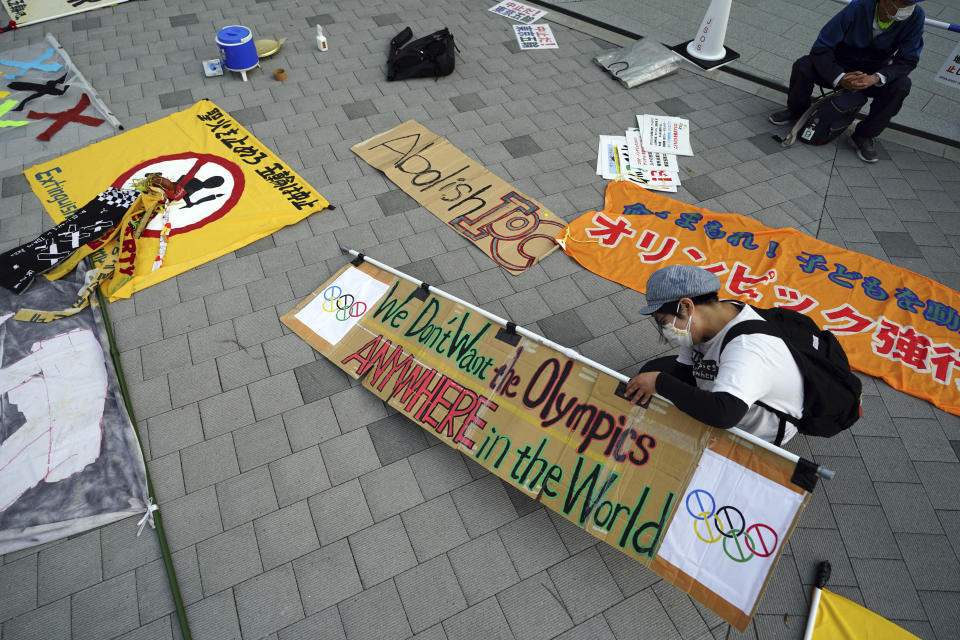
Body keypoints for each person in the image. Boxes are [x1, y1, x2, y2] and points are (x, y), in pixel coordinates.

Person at [624, 265, 803, 445]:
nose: (665, 330)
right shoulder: (706, 316)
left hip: (754, 427)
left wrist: (659, 383)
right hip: (722, 381)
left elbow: (724, 415)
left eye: (663, 321)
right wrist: (658, 383)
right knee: (649, 374)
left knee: (657, 381)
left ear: (686, 306)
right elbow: (684, 369)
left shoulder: (747, 348)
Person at [769, 0, 925, 163]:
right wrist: (840, 77)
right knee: (803, 66)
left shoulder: (916, 16)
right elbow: (821, 47)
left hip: (873, 74)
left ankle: (864, 135)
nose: (908, 7)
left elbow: (908, 59)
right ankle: (797, 110)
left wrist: (876, 77)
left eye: (912, 3)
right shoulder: (860, 6)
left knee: (902, 85)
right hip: (841, 65)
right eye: (905, 2)